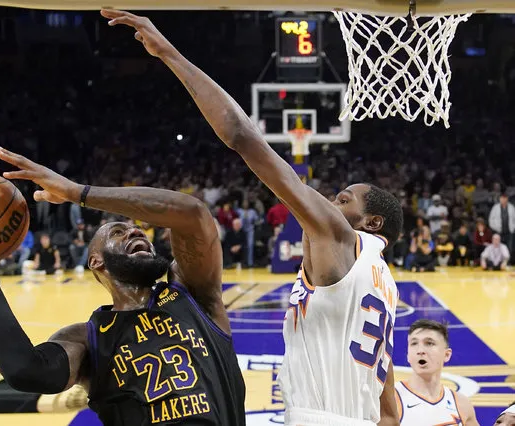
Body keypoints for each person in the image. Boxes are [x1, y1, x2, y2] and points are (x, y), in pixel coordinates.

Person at [101, 9, 402, 425]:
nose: (332, 204)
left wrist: (168, 52)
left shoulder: (338, 236)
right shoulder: (386, 287)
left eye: (344, 200)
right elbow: (391, 412)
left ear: (372, 223)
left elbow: (242, 137)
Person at [0, 146, 246, 426]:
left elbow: (191, 214)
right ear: (97, 261)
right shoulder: (88, 338)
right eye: (118, 232)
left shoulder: (192, 293)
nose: (134, 231)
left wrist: (77, 192)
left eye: (136, 228)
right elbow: (24, 370)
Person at [395, 319, 478, 425]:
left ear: (447, 355)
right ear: (408, 356)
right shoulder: (392, 400)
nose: (420, 350)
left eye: (429, 343)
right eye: (414, 343)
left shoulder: (462, 404)